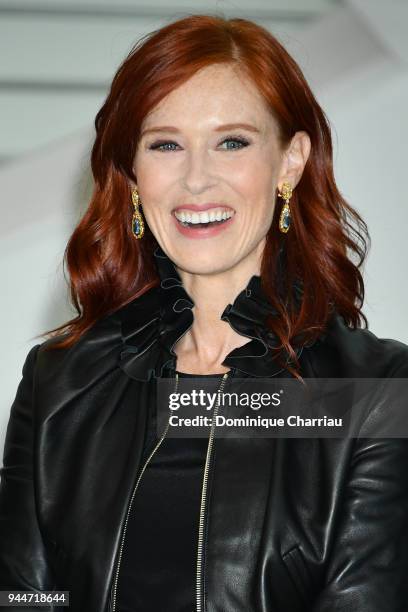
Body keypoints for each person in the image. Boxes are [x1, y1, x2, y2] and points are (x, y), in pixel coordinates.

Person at [1, 13, 408, 612]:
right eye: (165, 144)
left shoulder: (372, 393)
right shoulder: (60, 381)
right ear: (134, 174)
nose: (196, 179)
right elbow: (25, 600)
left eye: (232, 142)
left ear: (290, 162)